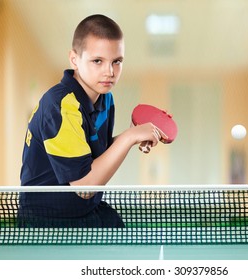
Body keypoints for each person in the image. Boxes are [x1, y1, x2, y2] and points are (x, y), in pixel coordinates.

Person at [18, 14, 167, 228]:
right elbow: (85, 186)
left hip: (83, 211)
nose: (110, 72)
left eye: (117, 61)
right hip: (46, 221)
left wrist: (131, 137)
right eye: (98, 61)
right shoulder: (60, 105)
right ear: (74, 59)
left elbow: (94, 156)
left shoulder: (106, 99)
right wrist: (129, 137)